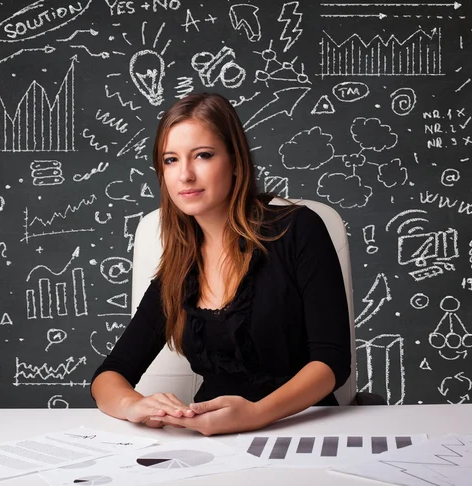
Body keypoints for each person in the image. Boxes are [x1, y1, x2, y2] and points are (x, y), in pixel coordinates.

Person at [90, 92, 351, 436]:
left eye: (203, 156)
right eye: (170, 160)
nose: (184, 175)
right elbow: (110, 374)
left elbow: (332, 361)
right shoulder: (179, 267)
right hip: (212, 442)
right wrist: (133, 405)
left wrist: (256, 414)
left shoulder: (297, 229)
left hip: (299, 429)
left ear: (236, 162)